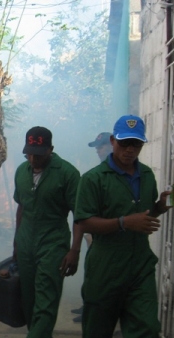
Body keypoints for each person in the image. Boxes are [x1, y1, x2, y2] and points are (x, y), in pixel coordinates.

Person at [75, 115, 172, 338]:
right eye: (125, 143)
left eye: (136, 144)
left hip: (139, 266)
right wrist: (122, 223)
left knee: (146, 330)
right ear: (113, 142)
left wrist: (159, 207)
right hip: (106, 266)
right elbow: (84, 221)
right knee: (98, 332)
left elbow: (144, 213)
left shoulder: (146, 175)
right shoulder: (93, 179)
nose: (130, 150)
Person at [13, 126, 83, 338]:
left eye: (39, 155)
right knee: (29, 302)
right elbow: (21, 207)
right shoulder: (22, 171)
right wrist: (16, 242)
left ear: (50, 151)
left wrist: (74, 250)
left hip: (53, 244)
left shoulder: (67, 174)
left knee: (45, 303)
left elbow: (80, 216)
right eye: (29, 154)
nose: (33, 160)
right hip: (26, 242)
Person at [72, 131, 113, 323]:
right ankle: (88, 306)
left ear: (113, 145)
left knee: (102, 277)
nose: (98, 149)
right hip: (95, 232)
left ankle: (95, 311)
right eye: (97, 146)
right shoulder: (98, 171)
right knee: (91, 271)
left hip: (110, 236)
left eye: (102, 145)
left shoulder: (116, 173)